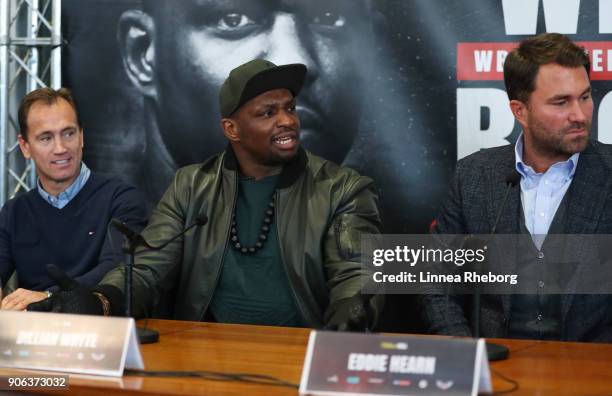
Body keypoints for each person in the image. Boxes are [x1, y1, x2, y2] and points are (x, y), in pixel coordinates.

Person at [30, 60, 383, 330]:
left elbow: (359, 272)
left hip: (300, 353)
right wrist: (99, 301)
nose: (287, 121)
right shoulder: (190, 186)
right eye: (268, 112)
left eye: (290, 108)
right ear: (231, 129)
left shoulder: (342, 188)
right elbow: (148, 267)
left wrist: (352, 307)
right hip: (206, 351)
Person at [420, 33, 612, 342]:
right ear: (519, 111)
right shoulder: (474, 176)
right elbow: (437, 281)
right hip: (496, 371)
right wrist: (463, 351)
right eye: (561, 102)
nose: (580, 115)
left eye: (586, 97)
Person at [117, 0, 374, 204]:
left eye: (327, 18)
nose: (295, 59)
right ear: (143, 55)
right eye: (233, 20)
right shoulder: (95, 255)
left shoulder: (399, 260)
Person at [0, 88, 147, 311]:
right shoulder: (13, 212)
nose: (61, 148)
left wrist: (50, 297)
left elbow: (117, 270)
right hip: (34, 336)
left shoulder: (121, 199)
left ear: (82, 136)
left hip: (101, 330)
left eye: (68, 133)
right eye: (46, 138)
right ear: (25, 146)